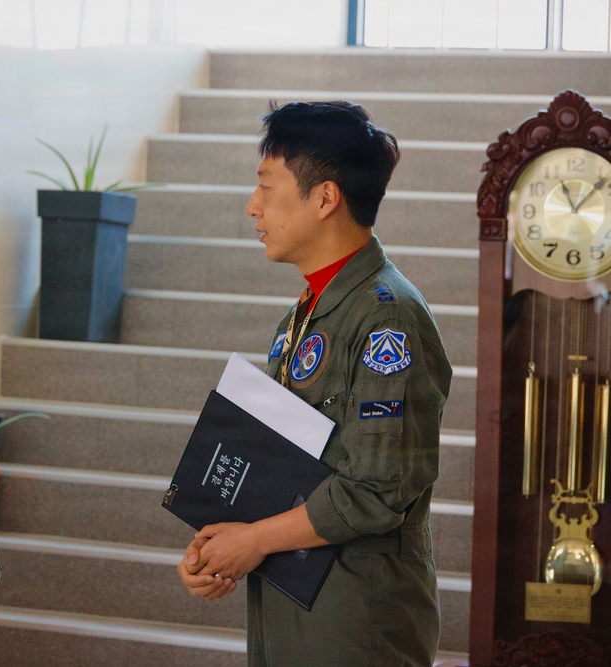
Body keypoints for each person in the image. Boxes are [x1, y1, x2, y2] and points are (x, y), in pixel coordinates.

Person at [176, 101, 452, 666]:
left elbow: (378, 491)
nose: (253, 207)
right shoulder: (308, 312)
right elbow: (281, 469)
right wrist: (221, 546)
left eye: (266, 187)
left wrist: (251, 542)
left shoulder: (386, 317)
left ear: (325, 198)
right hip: (293, 605)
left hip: (355, 619)